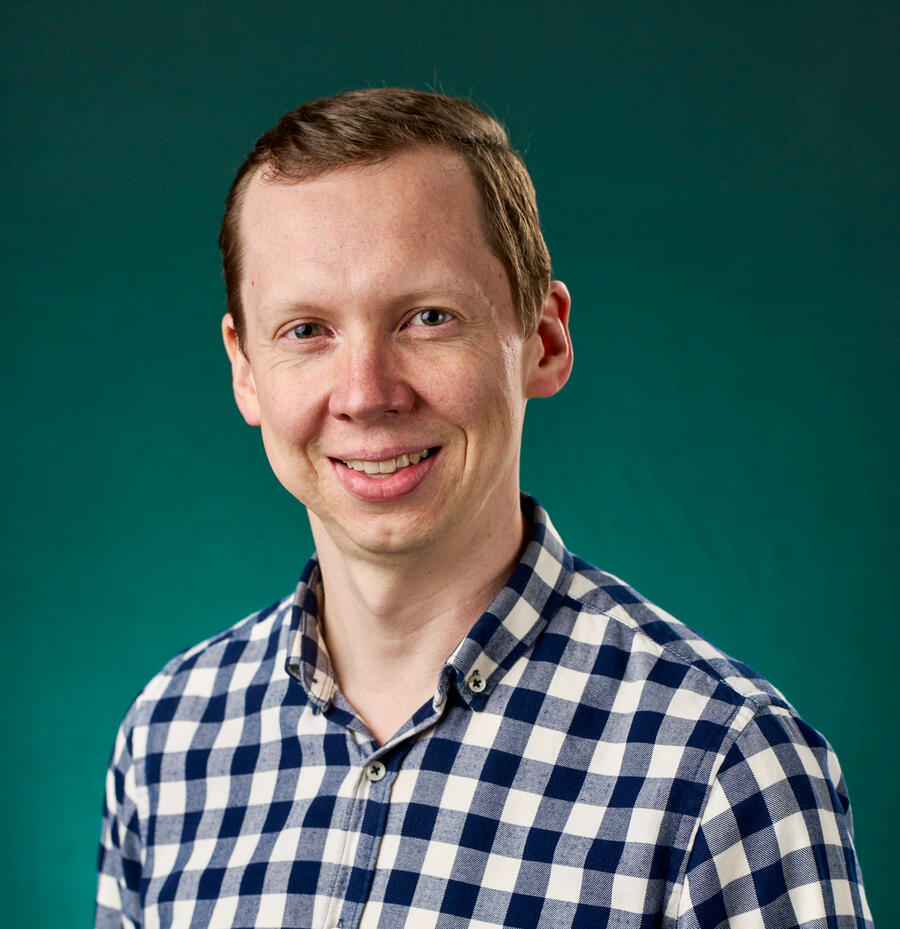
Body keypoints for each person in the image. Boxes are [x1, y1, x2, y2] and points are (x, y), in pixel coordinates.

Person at [96, 88, 872, 929]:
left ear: (544, 339)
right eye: (307, 331)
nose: (365, 393)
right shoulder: (168, 741)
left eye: (428, 318)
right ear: (245, 369)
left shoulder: (728, 770)